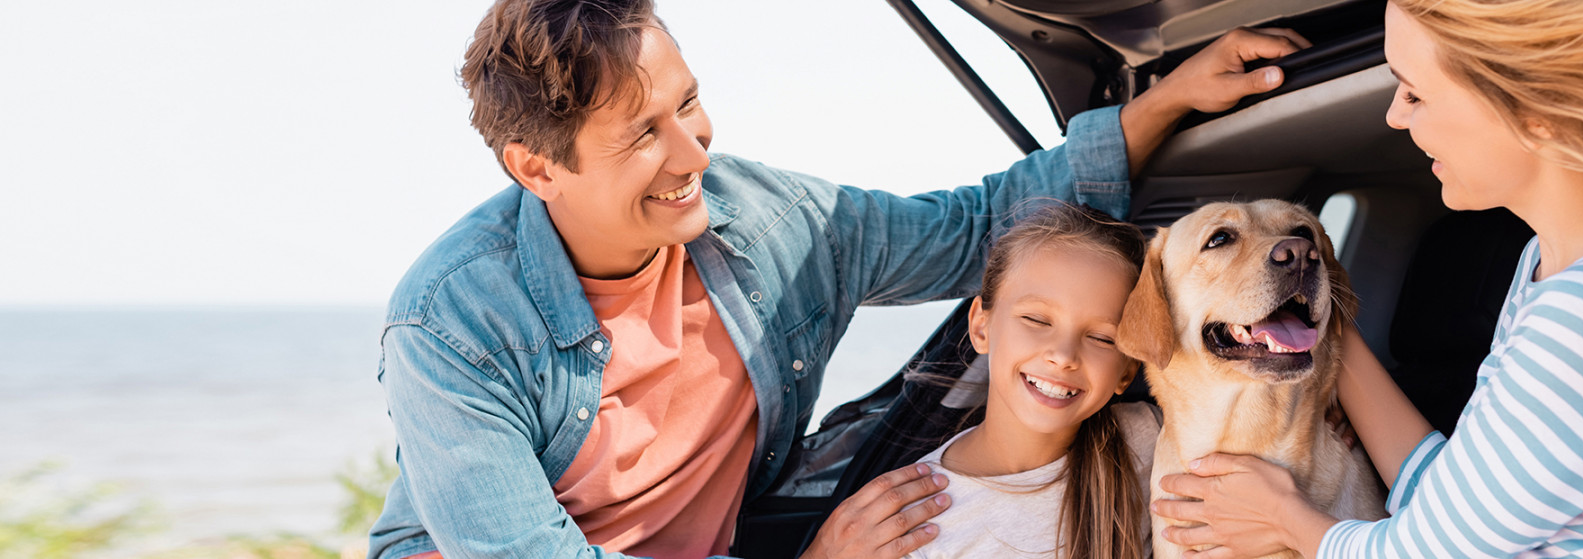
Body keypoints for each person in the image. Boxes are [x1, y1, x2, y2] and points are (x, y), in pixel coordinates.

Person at [363, 0, 1311, 557]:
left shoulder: (770, 220)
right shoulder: (452, 325)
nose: (693, 149)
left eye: (688, 102)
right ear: (537, 169)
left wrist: (1168, 103)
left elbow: (975, 227)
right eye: (642, 135)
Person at [1151, 0, 1583, 557]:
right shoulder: (1560, 265)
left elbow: (1426, 552)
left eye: (1416, 92)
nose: (1396, 118)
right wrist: (1307, 321)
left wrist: (1284, 517)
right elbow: (1450, 509)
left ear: (1537, 108)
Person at [903, 203, 1158, 559]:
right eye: (1037, 320)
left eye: (1102, 338)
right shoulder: (917, 520)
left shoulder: (1153, 440)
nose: (1064, 355)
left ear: (1127, 371)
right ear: (981, 327)